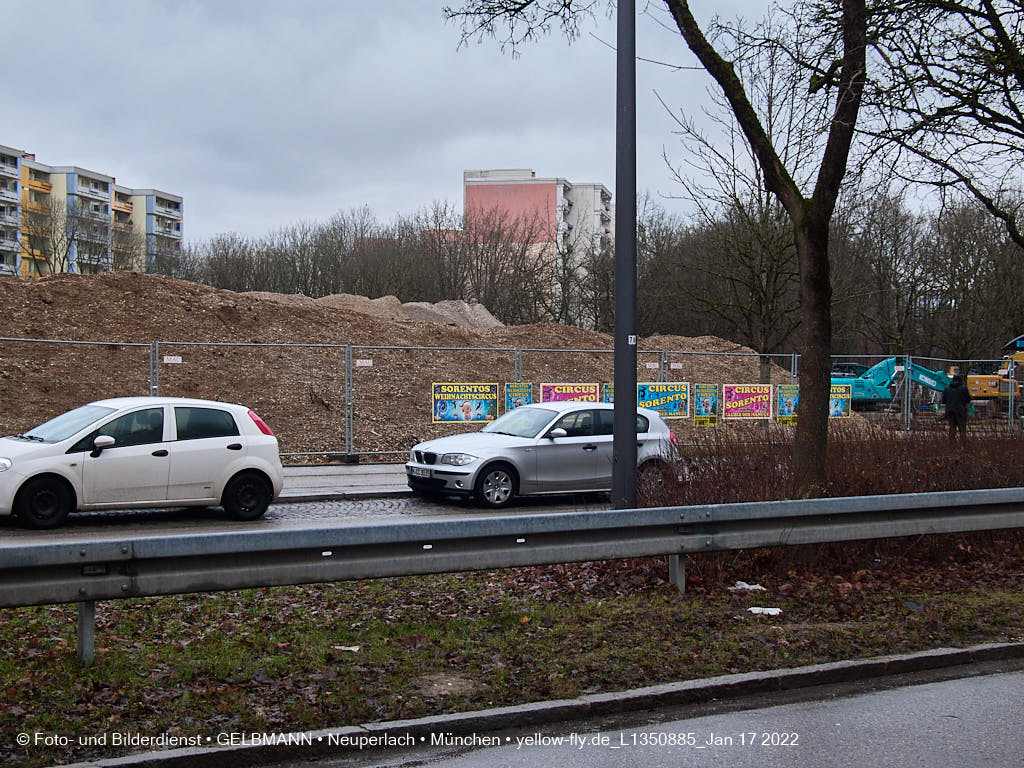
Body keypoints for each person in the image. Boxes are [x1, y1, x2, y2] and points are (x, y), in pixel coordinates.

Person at [940, 375, 972, 440]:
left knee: (952, 429)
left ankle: (952, 444)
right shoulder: (964, 388)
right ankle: (963, 444)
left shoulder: (947, 388)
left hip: (950, 411)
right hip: (960, 411)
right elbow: (968, 399)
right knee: (962, 429)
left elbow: (943, 401)